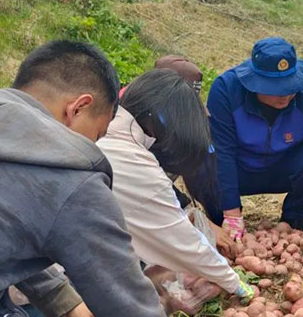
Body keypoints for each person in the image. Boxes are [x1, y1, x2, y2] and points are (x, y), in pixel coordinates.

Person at [0, 40, 178, 317]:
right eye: (97, 135)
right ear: (77, 108)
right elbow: (132, 309)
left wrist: (62, 298)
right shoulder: (71, 172)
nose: (94, 146)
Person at [96, 69, 254, 303]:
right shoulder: (135, 162)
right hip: (56, 283)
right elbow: (184, 242)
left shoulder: (103, 121)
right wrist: (234, 282)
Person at [207, 37, 303, 235]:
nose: (285, 95)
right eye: (276, 89)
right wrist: (231, 213)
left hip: (282, 168)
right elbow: (223, 152)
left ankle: (294, 217)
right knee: (203, 159)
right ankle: (220, 219)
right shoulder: (226, 91)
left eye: (290, 87)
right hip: (238, 169)